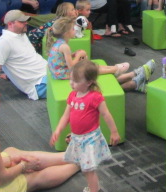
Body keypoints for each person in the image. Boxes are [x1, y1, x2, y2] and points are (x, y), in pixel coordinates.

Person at [50, 61, 120, 192]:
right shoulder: (72, 95)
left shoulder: (95, 97)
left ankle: (94, 190)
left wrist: (114, 132)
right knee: (85, 168)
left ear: (89, 82)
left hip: (90, 138)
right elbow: (66, 116)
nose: (71, 83)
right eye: (71, 79)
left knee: (88, 170)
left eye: (75, 81)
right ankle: (94, 187)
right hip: (78, 138)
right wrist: (58, 130)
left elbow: (106, 114)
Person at [0, 10, 49, 100]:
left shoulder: (22, 35)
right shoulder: (3, 43)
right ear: (10, 24)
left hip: (48, 74)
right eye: (22, 22)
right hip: (39, 84)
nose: (26, 23)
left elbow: (23, 59)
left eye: (26, 21)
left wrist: (10, 75)